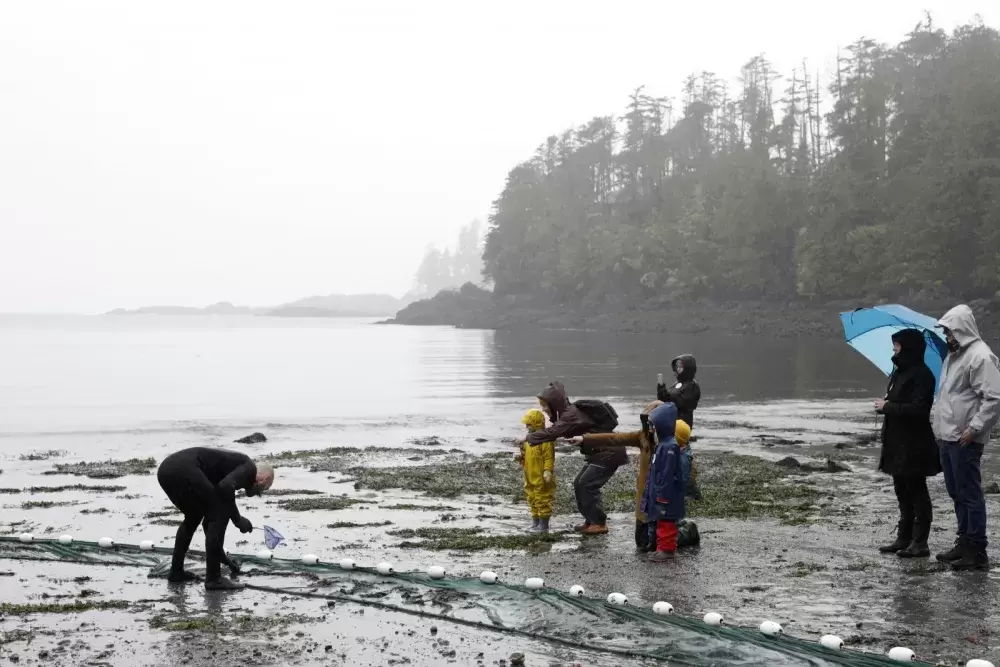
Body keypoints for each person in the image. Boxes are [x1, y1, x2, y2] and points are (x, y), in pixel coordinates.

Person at [570, 401, 698, 551]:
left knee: (659, 539)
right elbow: (616, 438)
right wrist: (585, 439)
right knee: (643, 544)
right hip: (644, 499)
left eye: (652, 422)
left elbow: (685, 474)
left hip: (661, 501)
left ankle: (689, 530)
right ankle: (675, 529)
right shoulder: (643, 437)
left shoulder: (672, 445)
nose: (650, 426)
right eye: (648, 422)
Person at [932, 305, 1000, 571]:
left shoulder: (982, 356)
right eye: (946, 332)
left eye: (950, 331)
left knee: (970, 492)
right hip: (947, 436)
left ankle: (977, 549)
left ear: (962, 329)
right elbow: (949, 397)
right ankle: (964, 541)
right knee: (956, 491)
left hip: (966, 438)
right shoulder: (953, 357)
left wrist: (974, 429)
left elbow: (994, 398)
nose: (947, 336)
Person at [157, 447, 275, 590]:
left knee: (194, 517)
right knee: (220, 514)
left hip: (166, 470)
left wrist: (225, 560)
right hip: (184, 468)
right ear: (264, 478)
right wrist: (238, 520)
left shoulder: (224, 473)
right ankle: (214, 579)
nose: (259, 493)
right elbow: (226, 488)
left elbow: (209, 525)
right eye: (264, 489)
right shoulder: (249, 468)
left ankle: (176, 572)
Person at [874, 329, 942, 558]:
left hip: (915, 443)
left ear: (908, 347)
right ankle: (904, 537)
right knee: (901, 489)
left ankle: (920, 541)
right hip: (896, 440)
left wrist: (888, 407)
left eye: (898, 345)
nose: (894, 349)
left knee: (917, 489)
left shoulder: (923, 375)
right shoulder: (898, 372)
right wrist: (886, 403)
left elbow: (920, 410)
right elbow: (898, 401)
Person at [526, 381, 621, 536]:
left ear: (554, 403)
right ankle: (590, 521)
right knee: (579, 483)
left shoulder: (570, 414)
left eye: (545, 405)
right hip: (598, 454)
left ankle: (599, 523)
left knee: (586, 484)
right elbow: (557, 430)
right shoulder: (568, 413)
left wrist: (529, 437)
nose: (543, 409)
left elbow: (552, 433)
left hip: (609, 453)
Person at [640, 402, 685, 562]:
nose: (651, 430)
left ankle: (667, 549)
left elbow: (668, 474)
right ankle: (661, 547)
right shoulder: (663, 445)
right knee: (661, 521)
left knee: (667, 522)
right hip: (659, 492)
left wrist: (662, 494)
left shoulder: (669, 447)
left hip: (667, 495)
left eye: (653, 426)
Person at [656, 354, 702, 499]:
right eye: (677, 367)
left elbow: (682, 402)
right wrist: (662, 392)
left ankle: (690, 488)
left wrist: (669, 397)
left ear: (688, 368)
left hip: (683, 424)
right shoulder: (676, 385)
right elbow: (667, 400)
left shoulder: (693, 386)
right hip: (671, 422)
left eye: (681, 366)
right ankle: (675, 484)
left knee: (681, 454)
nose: (678, 369)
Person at [516, 408, 556, 533]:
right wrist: (520, 457)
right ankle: (535, 523)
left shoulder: (546, 440)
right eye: (526, 425)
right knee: (531, 498)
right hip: (529, 475)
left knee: (543, 498)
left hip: (541, 476)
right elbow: (525, 456)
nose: (527, 427)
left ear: (536, 423)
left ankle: (544, 526)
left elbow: (549, 457)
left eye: (529, 424)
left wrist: (548, 470)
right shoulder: (529, 440)